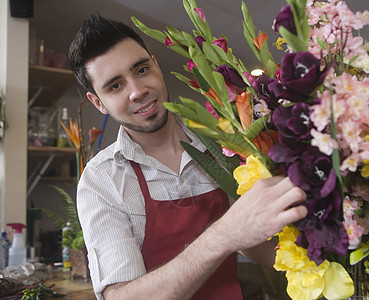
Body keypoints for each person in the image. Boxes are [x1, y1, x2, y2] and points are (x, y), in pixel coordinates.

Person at [69, 13, 308, 300]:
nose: (137, 91)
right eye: (115, 86)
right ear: (98, 102)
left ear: (156, 65)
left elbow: (252, 243)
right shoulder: (102, 180)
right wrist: (223, 234)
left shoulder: (225, 141)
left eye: (141, 70)